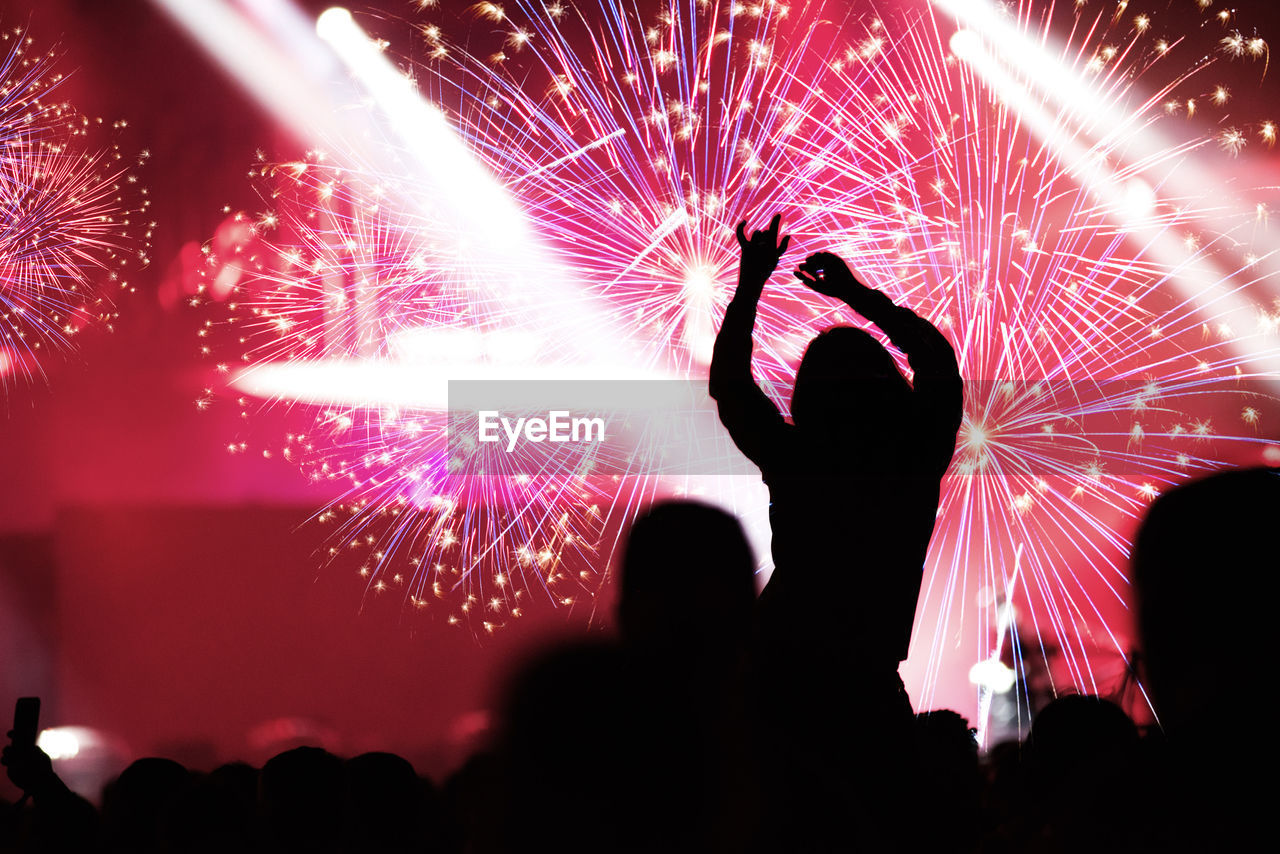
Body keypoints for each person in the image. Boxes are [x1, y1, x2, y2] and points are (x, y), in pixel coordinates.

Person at [709, 214, 962, 847]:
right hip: (866, 685)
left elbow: (731, 384)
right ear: (891, 390)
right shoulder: (914, 459)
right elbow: (936, 361)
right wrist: (856, 295)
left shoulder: (797, 457)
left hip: (776, 682)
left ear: (807, 398)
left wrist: (750, 285)